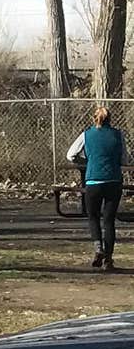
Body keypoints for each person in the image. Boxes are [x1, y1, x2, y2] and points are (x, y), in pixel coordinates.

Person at [67, 106, 126, 271]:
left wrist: (87, 161)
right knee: (109, 221)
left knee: (93, 216)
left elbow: (70, 154)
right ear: (110, 120)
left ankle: (98, 247)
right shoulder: (118, 135)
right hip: (113, 181)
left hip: (93, 181)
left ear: (95, 119)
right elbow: (125, 159)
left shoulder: (86, 135)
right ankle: (108, 259)